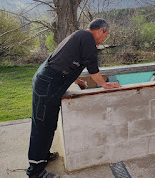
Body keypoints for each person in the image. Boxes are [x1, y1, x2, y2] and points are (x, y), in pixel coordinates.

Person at [27, 19, 121, 178]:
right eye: (106, 35)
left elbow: (65, 60)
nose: (105, 39)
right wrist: (104, 85)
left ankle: (41, 157)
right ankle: (35, 171)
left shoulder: (80, 36)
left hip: (47, 82)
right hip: (48, 85)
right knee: (42, 126)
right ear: (100, 31)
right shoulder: (88, 39)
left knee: (48, 125)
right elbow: (92, 67)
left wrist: (76, 81)